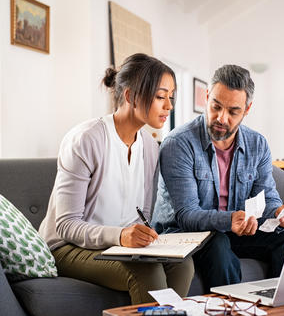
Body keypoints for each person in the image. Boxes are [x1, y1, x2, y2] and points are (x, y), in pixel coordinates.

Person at [39, 53, 194, 304]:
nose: (169, 106)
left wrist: (144, 238)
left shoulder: (150, 146)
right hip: (68, 248)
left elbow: (140, 214)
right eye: (160, 96)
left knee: (183, 264)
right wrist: (121, 236)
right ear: (131, 96)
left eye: (171, 97)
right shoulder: (86, 140)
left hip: (119, 247)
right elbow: (66, 225)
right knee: (148, 271)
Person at [152, 64, 284, 291]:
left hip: (233, 229)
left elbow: (267, 196)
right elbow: (186, 215)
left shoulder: (257, 144)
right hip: (184, 234)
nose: (221, 118)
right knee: (219, 244)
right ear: (207, 97)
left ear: (247, 109)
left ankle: (277, 306)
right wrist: (230, 220)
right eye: (216, 107)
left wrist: (279, 212)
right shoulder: (179, 143)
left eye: (233, 112)